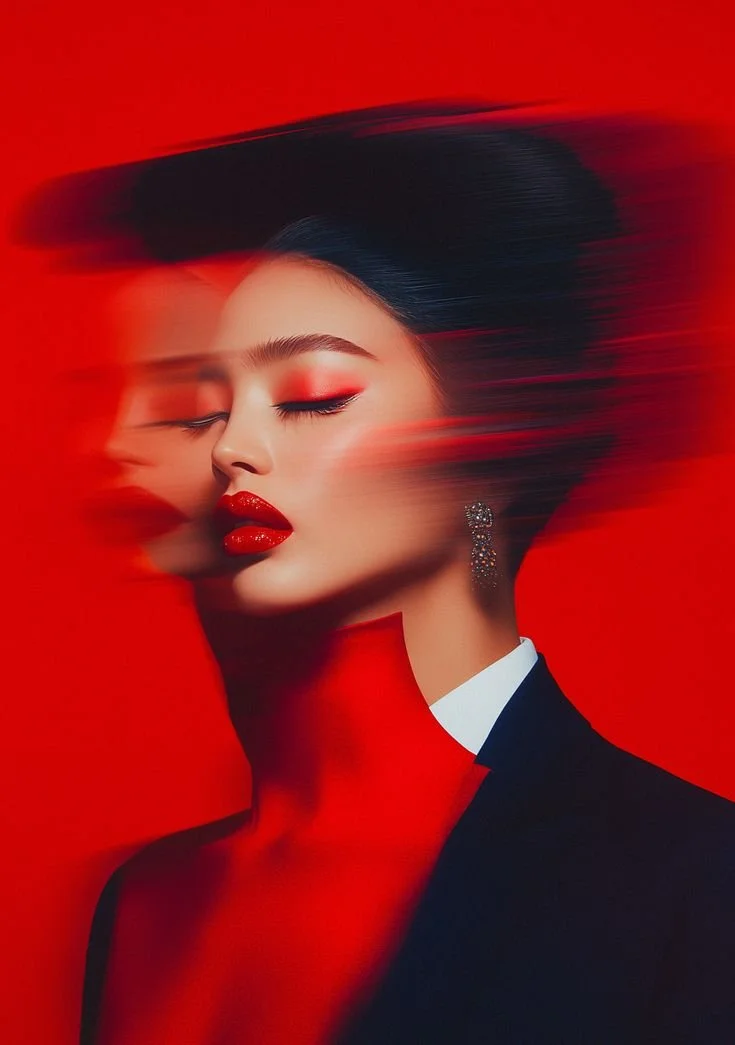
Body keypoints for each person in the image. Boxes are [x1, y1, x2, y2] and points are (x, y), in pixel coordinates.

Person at [20, 103, 735, 1044]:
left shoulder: (689, 878)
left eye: (311, 397)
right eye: (215, 401)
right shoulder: (145, 900)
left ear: (484, 438)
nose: (234, 446)